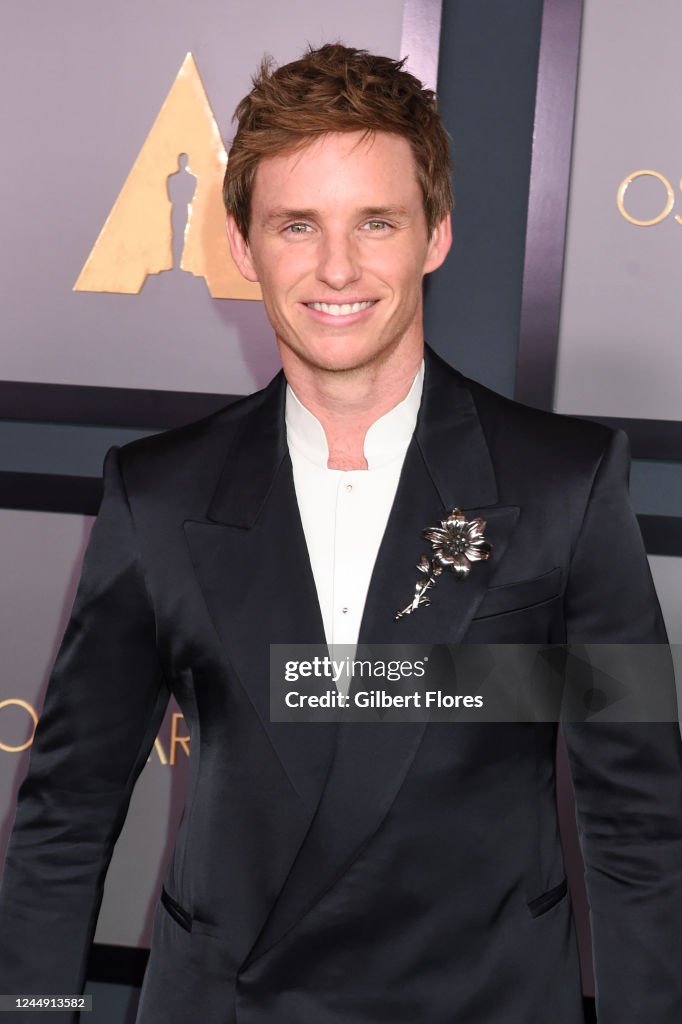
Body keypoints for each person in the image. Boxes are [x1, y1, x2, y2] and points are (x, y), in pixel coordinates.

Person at [0, 42, 681, 1024]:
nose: (336, 268)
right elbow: (67, 812)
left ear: (435, 234)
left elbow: (639, 824)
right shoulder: (159, 496)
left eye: (375, 222)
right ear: (242, 248)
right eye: (296, 225)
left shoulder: (565, 484)